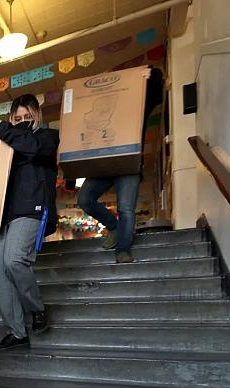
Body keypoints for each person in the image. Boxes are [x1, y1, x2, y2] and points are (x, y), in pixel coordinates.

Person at [0, 94, 59, 351]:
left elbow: (34, 148)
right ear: (11, 118)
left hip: (31, 210)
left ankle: (37, 309)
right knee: (1, 275)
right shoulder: (5, 144)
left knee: (14, 260)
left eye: (28, 117)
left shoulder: (47, 138)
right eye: (17, 118)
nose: (23, 121)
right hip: (0, 216)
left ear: (38, 116)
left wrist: (4, 129)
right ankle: (16, 332)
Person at [76, 66, 164, 263]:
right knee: (84, 199)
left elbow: (157, 93)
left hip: (128, 162)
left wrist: (151, 76)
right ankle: (114, 227)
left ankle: (123, 250)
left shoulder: (139, 103)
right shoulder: (94, 115)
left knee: (126, 208)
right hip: (103, 161)